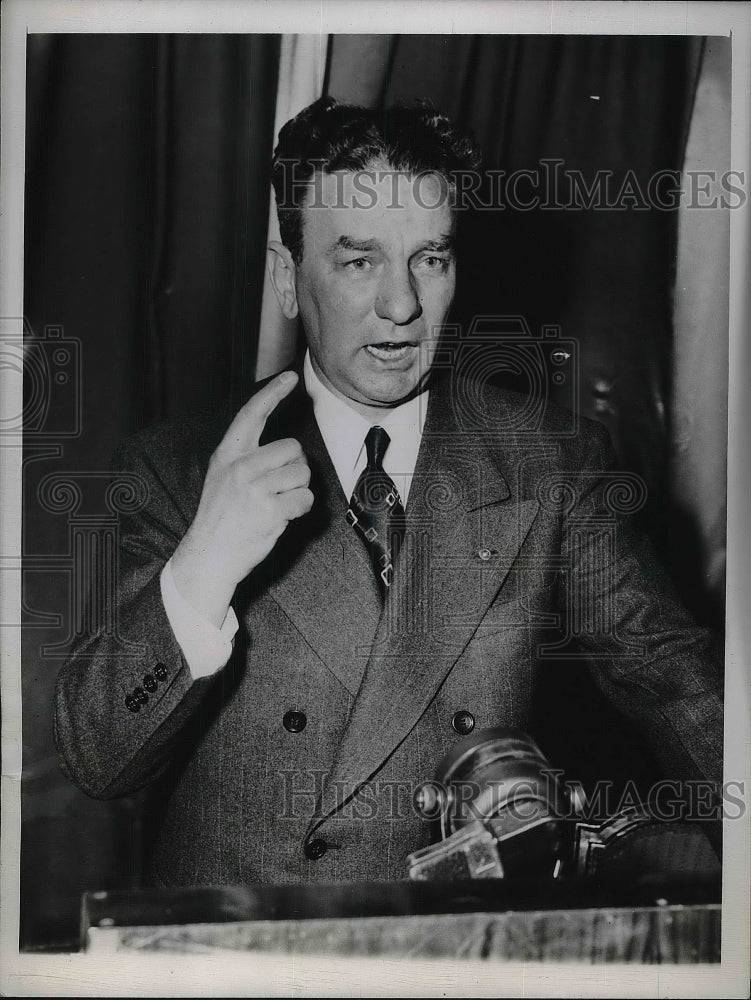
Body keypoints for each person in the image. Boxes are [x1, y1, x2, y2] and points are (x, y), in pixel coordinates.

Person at [54, 97, 723, 887]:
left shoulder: (548, 460)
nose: (401, 306)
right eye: (358, 260)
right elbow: (98, 757)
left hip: (456, 947)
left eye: (429, 259)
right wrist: (204, 568)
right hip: (246, 951)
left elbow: (674, 678)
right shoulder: (177, 466)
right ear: (286, 277)